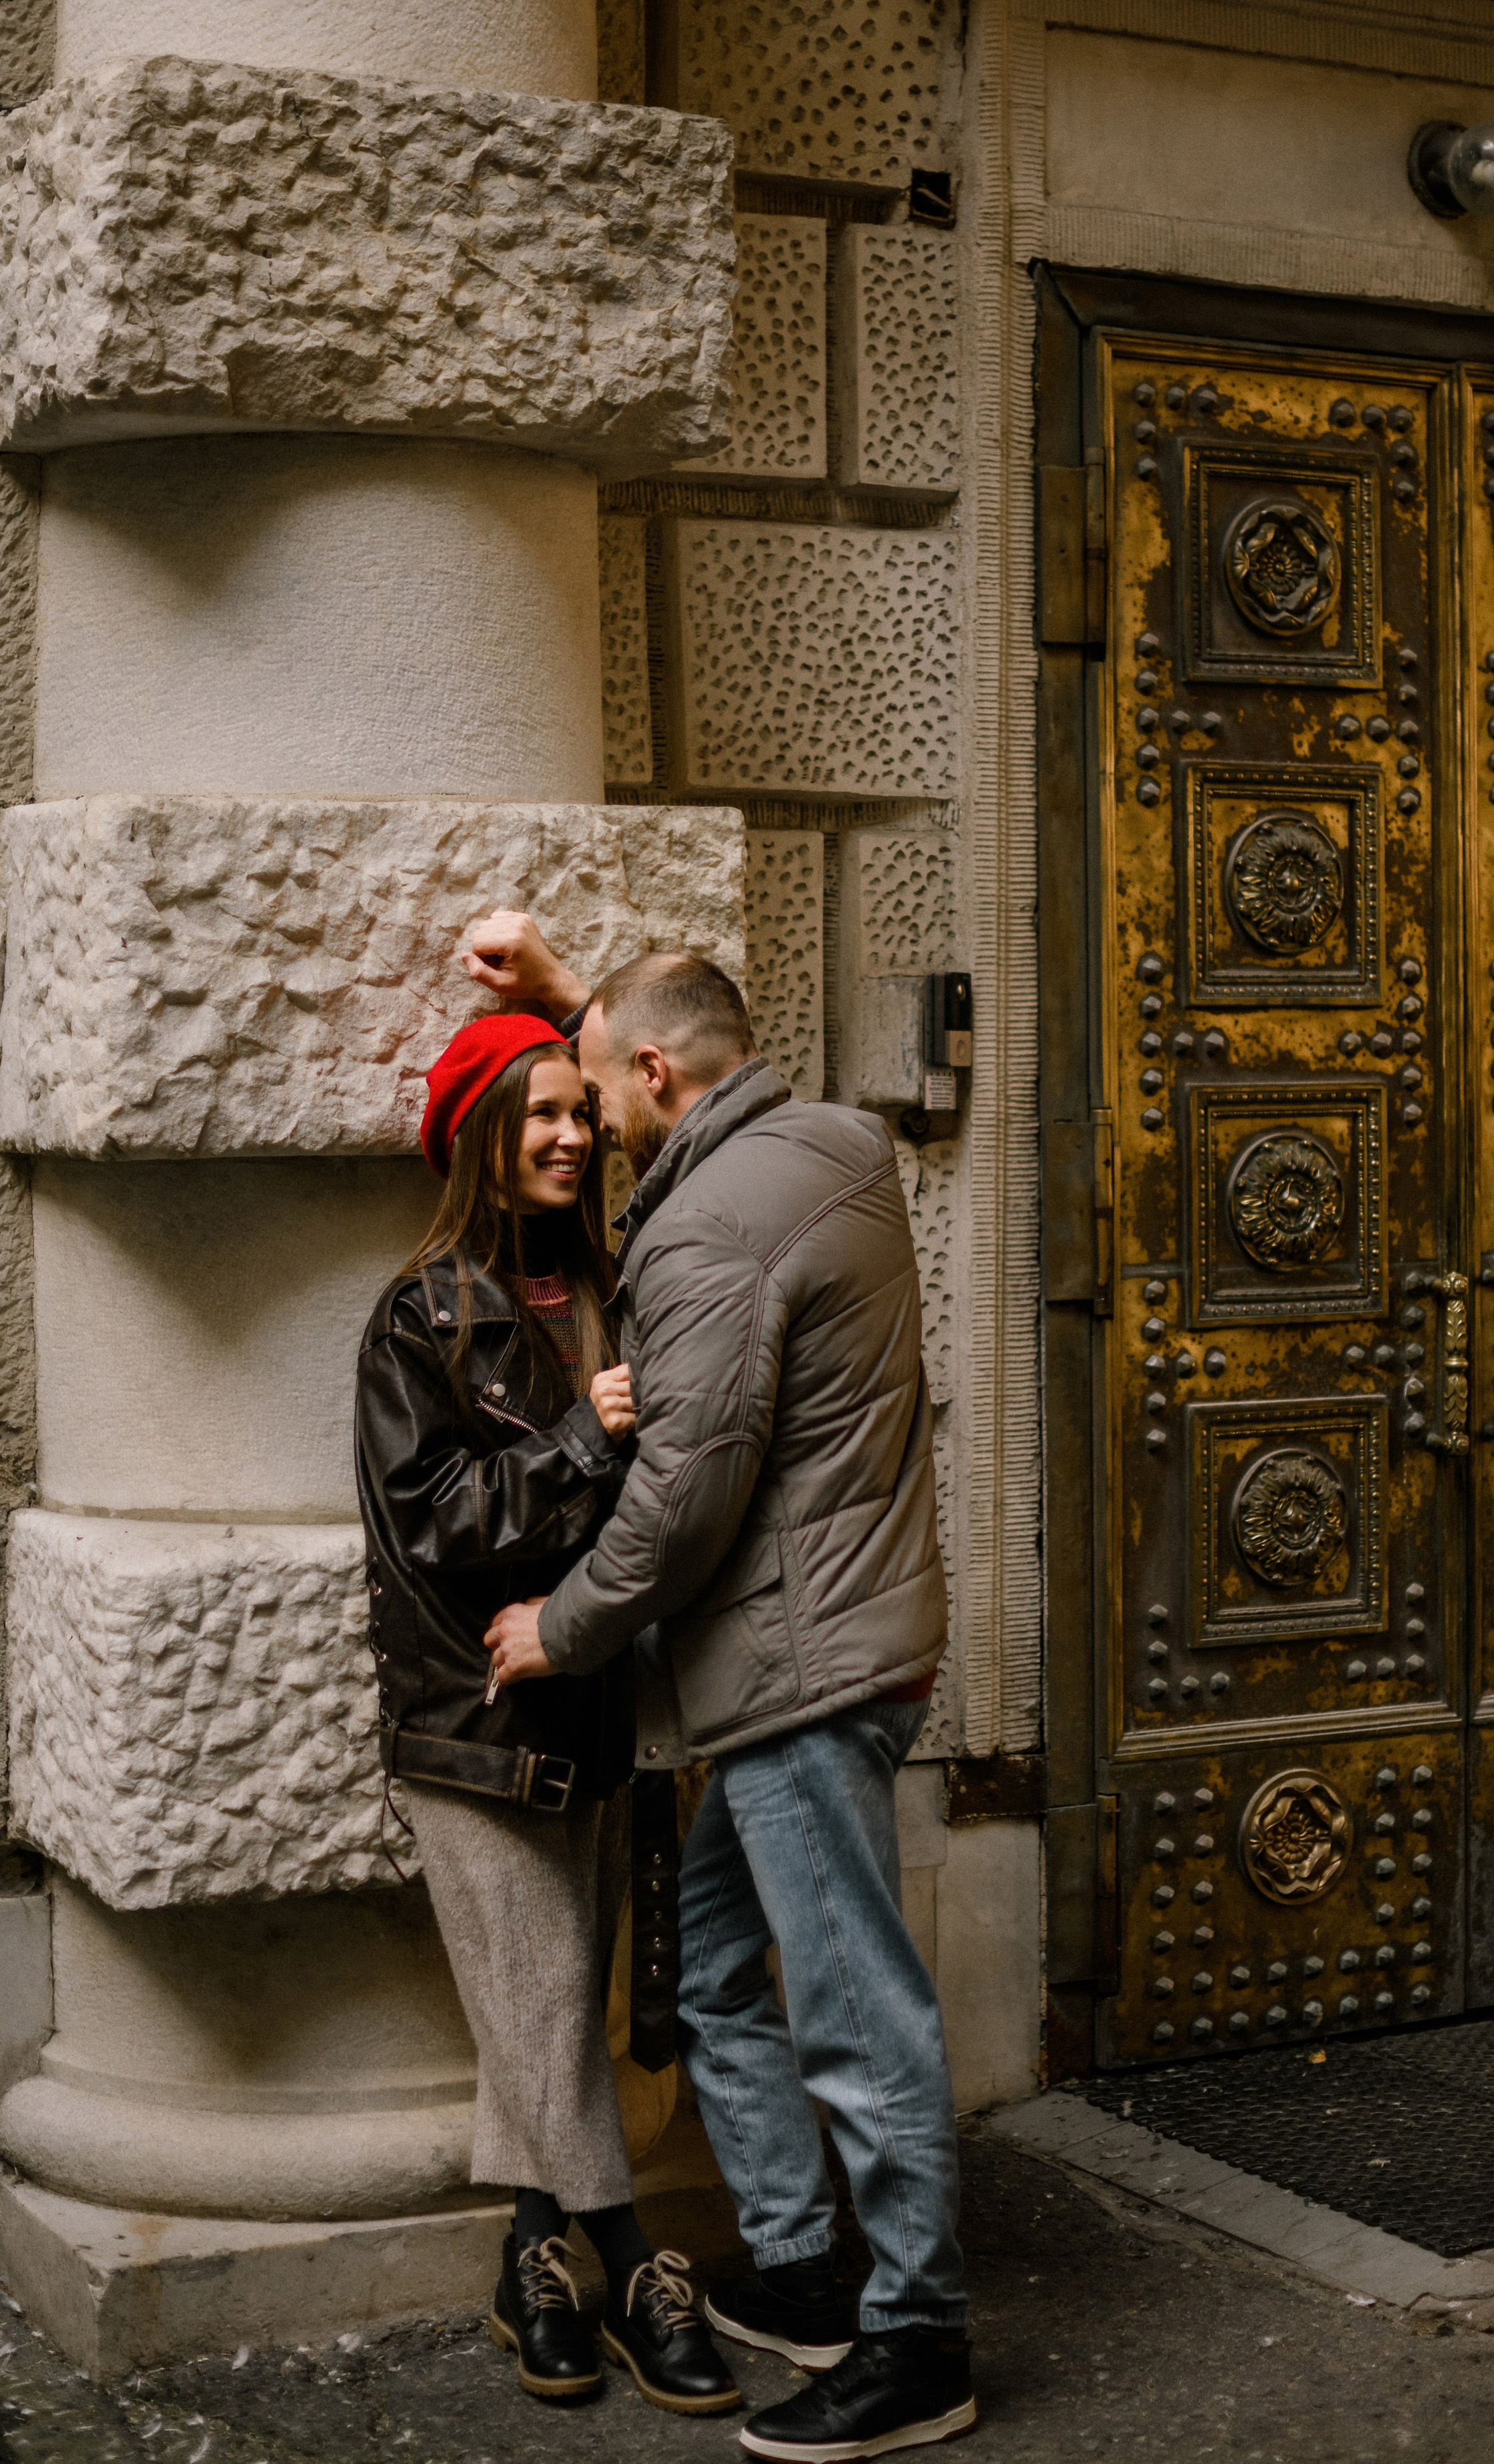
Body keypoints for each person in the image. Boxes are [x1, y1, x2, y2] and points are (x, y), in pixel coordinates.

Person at [482, 950, 975, 2463]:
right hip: (851, 1647)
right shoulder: (831, 1144)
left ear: (649, 1079)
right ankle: (812, 2267)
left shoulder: (701, 1234)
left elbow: (684, 1499)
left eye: (606, 1083)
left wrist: (555, 1631)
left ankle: (912, 2339)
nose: (601, 1133)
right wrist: (585, 987)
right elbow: (678, 1014)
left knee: (849, 2006)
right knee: (709, 1967)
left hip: (795, 1676)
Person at [355, 1011, 738, 2420]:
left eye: (582, 1111)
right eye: (536, 1116)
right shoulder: (422, 1314)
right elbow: (436, 1524)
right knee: (546, 2005)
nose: (572, 1137)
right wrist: (588, 1438)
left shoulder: (620, 1293)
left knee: (557, 2008)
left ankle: (533, 2260)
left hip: (610, 1711)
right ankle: (634, 2261)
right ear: (479, 1138)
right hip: (480, 1727)